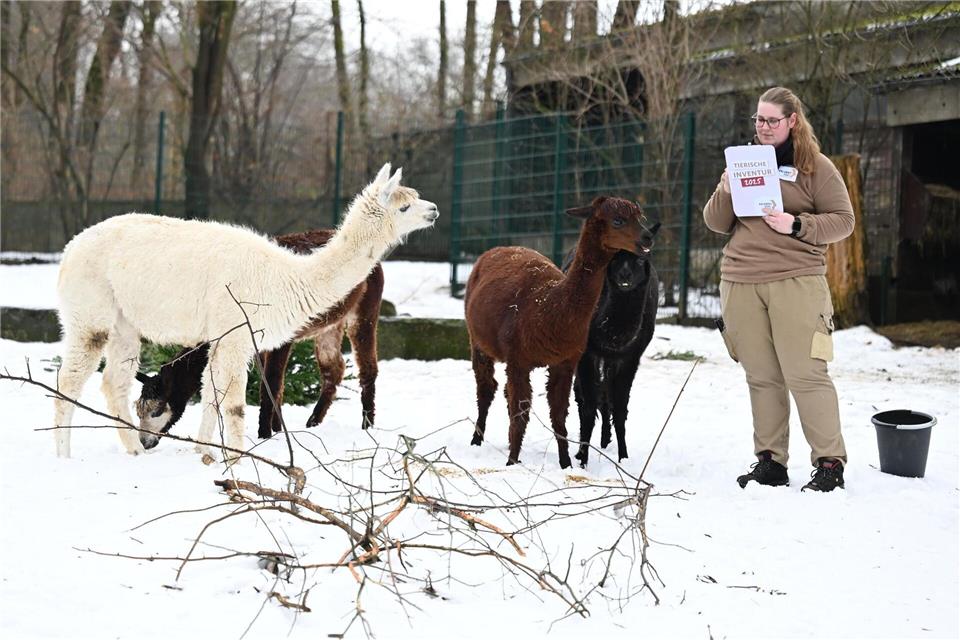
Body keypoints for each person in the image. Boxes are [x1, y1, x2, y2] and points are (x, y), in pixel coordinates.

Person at [703, 86, 855, 492]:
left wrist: (798, 225)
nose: (763, 127)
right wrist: (728, 186)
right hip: (741, 279)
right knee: (762, 376)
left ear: (792, 121)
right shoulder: (743, 162)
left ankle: (829, 463)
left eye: (772, 120)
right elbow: (716, 222)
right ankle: (770, 461)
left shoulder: (815, 167)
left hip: (796, 280)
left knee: (806, 372)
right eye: (758, 119)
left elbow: (844, 220)